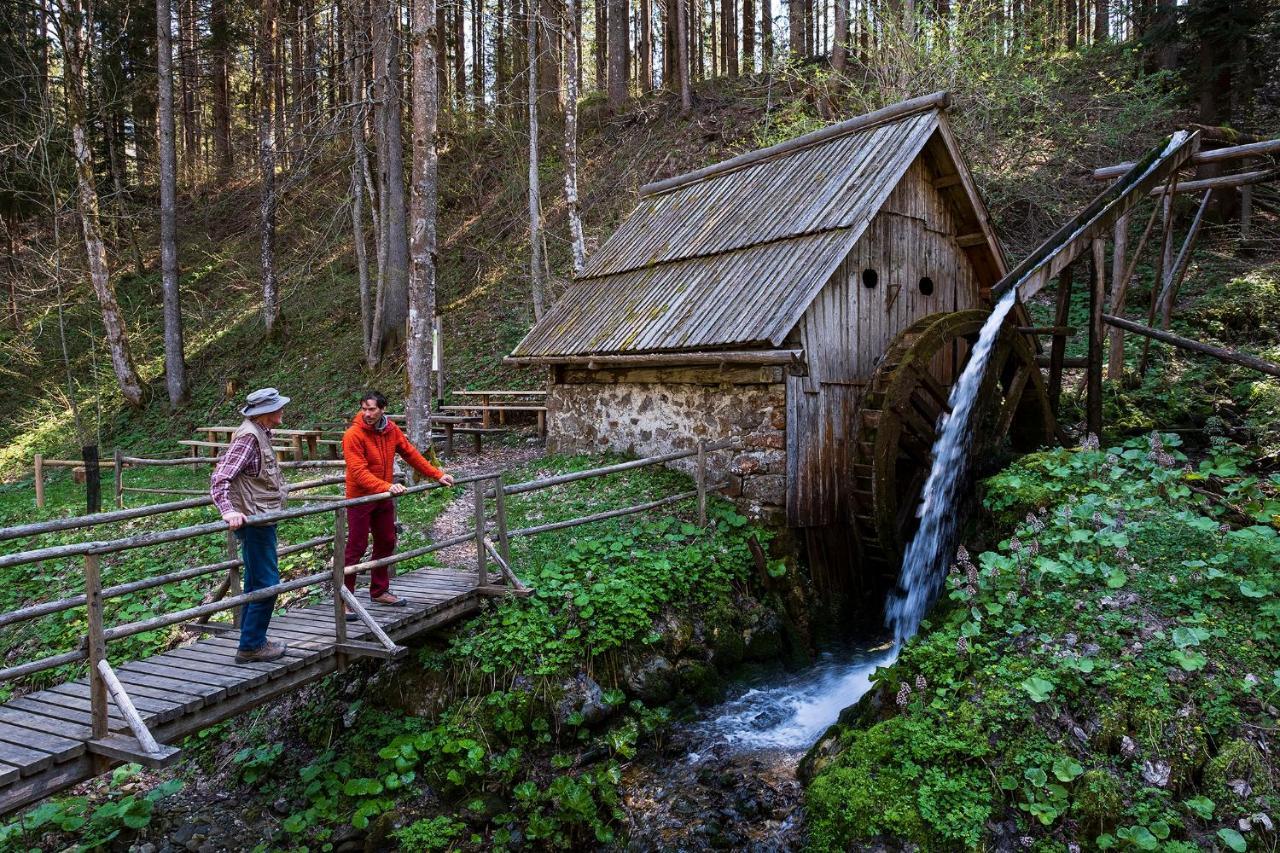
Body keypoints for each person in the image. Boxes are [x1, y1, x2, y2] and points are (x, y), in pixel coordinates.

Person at [342, 390, 455, 611]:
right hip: (360, 498)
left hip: (383, 496)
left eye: (372, 409)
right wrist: (387, 486)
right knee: (356, 545)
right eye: (364, 409)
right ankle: (345, 599)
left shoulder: (390, 430)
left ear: (382, 409)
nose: (367, 414)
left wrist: (437, 474)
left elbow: (410, 453)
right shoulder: (353, 435)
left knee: (386, 540)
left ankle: (379, 591)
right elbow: (358, 472)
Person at [210, 387, 291, 664]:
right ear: (265, 413)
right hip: (253, 520)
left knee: (257, 581)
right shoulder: (248, 438)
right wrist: (228, 511)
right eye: (279, 407)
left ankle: (253, 640)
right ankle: (251, 646)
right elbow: (220, 478)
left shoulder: (261, 433)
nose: (282, 410)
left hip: (261, 516)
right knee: (267, 582)